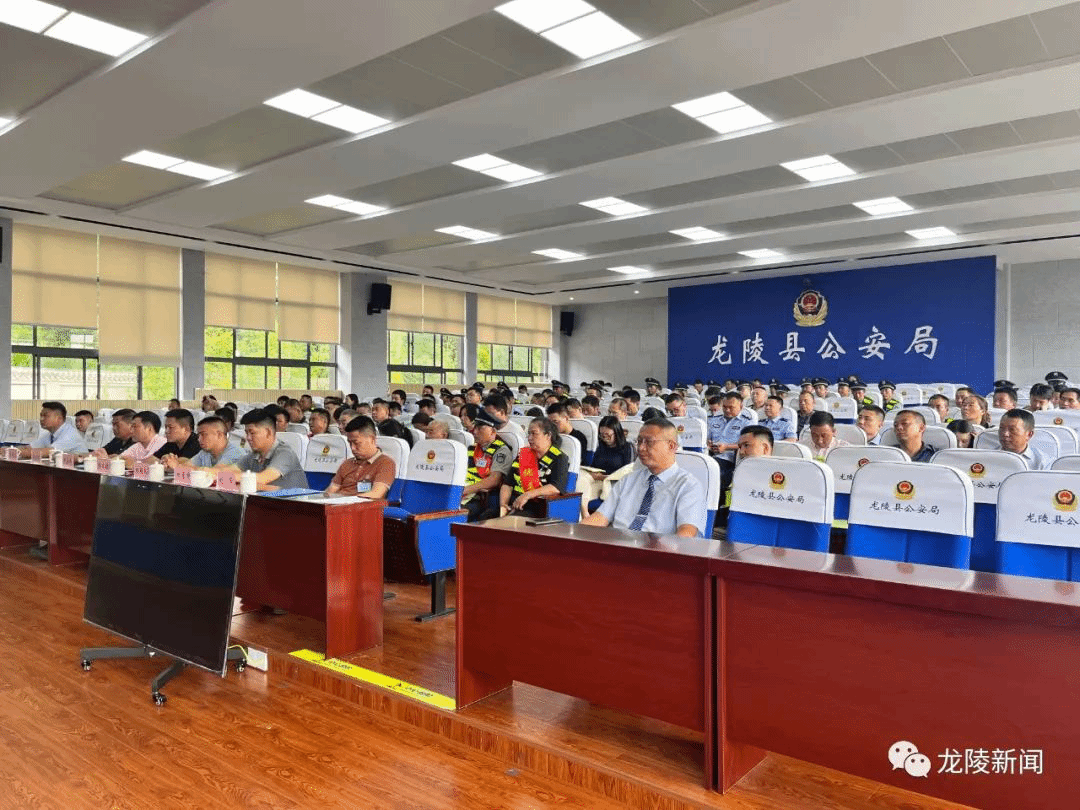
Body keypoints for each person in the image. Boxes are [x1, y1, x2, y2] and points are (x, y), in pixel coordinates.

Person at [581, 418, 707, 538]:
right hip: (619, 544)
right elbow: (601, 517)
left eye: (649, 442)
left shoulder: (688, 486)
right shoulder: (628, 480)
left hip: (659, 549)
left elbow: (686, 534)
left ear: (671, 446)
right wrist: (575, 533)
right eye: (639, 441)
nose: (641, 448)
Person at [499, 418, 569, 517]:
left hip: (536, 508)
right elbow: (507, 484)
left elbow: (556, 487)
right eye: (529, 434)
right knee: (488, 515)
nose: (530, 438)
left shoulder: (559, 458)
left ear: (548, 435)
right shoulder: (524, 455)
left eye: (534, 433)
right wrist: (503, 506)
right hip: (514, 505)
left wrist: (527, 495)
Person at [230, 409, 310, 491]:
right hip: (266, 498)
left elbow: (262, 479)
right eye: (247, 433)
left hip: (294, 499)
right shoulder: (254, 455)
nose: (248, 438)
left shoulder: (285, 453)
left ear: (268, 432)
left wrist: (230, 480)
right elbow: (231, 471)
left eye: (252, 433)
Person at [324, 416, 395, 499]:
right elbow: (331, 490)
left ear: (372, 439)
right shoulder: (347, 463)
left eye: (356, 443)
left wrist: (346, 500)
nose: (352, 448)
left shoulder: (385, 463)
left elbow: (376, 494)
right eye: (350, 443)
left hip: (361, 505)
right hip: (337, 503)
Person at [462, 410, 514, 521]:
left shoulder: (501, 451)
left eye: (480, 429)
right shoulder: (472, 448)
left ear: (493, 431)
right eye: (475, 428)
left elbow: (494, 480)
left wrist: (465, 491)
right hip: (464, 491)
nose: (475, 432)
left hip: (479, 497)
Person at [162, 416, 246, 470]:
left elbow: (216, 473)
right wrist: (170, 462)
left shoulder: (235, 452)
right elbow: (188, 466)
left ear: (219, 435)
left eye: (203, 434)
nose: (199, 439)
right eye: (199, 435)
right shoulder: (205, 453)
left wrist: (177, 467)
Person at [21, 401, 88, 457]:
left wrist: (18, 452)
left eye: (45, 416)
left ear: (59, 419)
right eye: (41, 416)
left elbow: (48, 452)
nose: (41, 419)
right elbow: (30, 447)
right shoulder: (49, 434)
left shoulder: (71, 434)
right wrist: (17, 450)